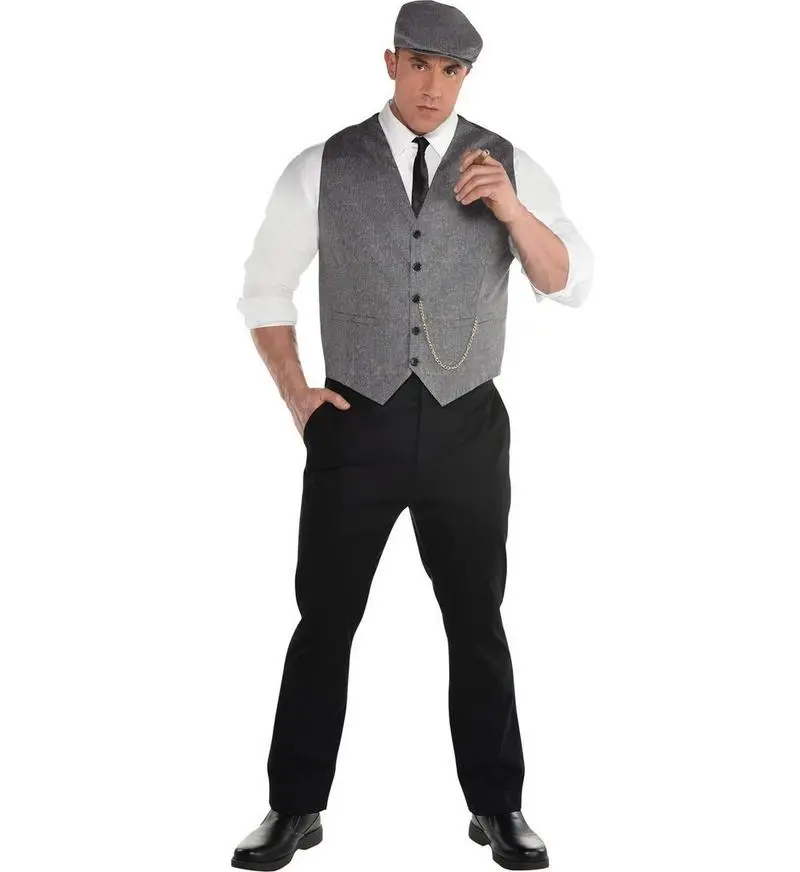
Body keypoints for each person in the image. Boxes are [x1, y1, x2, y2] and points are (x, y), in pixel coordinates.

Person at [231, 2, 594, 869]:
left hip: (468, 425)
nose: (434, 86)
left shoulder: (509, 163)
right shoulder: (323, 165)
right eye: (420, 64)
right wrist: (297, 396)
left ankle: (498, 808)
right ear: (391, 62)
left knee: (477, 620)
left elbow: (568, 282)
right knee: (325, 620)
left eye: (452, 70)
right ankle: (294, 806)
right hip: (355, 422)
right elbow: (265, 289)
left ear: (467, 76)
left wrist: (510, 209)